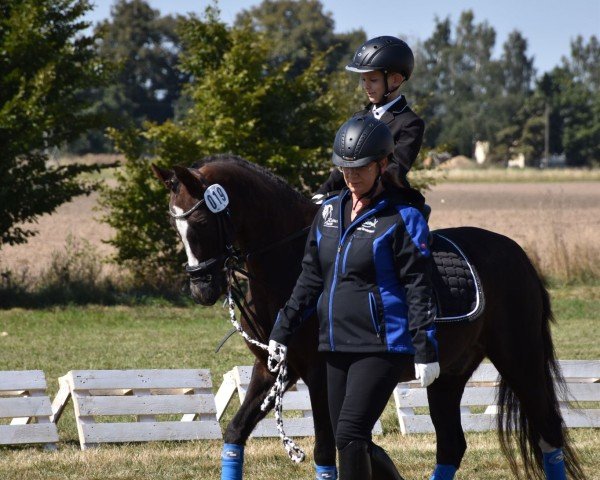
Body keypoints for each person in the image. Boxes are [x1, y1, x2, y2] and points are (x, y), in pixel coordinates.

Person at [268, 116, 440, 480]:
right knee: (350, 440)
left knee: (349, 434)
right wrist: (281, 330)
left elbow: (418, 286)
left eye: (360, 168)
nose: (351, 176)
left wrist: (425, 348)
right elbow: (311, 276)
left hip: (381, 346)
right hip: (333, 344)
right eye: (344, 168)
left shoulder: (403, 217)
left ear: (382, 165)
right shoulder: (328, 213)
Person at [312, 36, 425, 209]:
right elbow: (345, 164)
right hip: (355, 194)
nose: (366, 86)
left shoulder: (410, 123)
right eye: (364, 80)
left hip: (387, 200)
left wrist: (355, 193)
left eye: (373, 80)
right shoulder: (359, 117)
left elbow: (394, 171)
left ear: (395, 80)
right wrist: (323, 192)